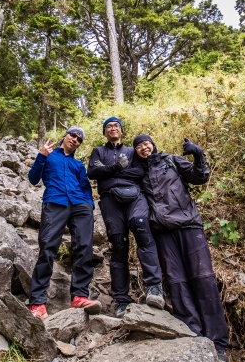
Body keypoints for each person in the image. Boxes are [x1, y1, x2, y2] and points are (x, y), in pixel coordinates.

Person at [133, 134, 230, 362]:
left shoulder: (171, 161)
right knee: (177, 282)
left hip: (188, 225)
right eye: (138, 146)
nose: (144, 148)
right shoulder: (137, 173)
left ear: (153, 144)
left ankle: (218, 344)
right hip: (163, 232)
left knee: (204, 279)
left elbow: (200, 177)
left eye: (146, 143)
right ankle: (192, 335)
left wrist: (198, 154)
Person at [87, 117, 164, 318]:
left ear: (122, 131)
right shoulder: (99, 151)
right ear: (105, 132)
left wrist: (113, 174)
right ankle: (121, 299)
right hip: (110, 199)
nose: (113, 128)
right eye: (109, 126)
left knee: (141, 228)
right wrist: (115, 169)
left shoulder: (131, 151)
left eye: (117, 126)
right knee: (118, 243)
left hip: (134, 195)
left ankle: (154, 287)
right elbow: (93, 172)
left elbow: (140, 171)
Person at [27, 126, 102, 319]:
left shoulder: (78, 165)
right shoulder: (49, 156)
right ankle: (37, 302)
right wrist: (41, 156)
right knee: (47, 247)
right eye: (73, 135)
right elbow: (33, 179)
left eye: (79, 138)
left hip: (80, 204)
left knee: (84, 247)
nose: (75, 139)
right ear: (65, 136)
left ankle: (79, 296)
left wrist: (88, 204)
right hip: (55, 201)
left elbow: (85, 186)